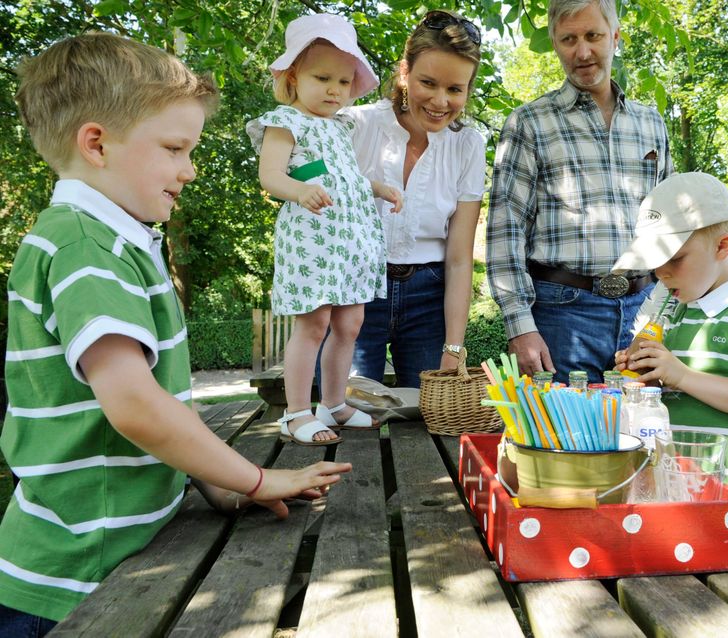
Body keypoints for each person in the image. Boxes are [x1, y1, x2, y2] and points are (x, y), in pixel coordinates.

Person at [0, 32, 350, 632]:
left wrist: (219, 485)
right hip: (76, 579)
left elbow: (160, 401)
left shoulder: (113, 239)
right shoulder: (88, 246)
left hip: (119, 558)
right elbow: (135, 406)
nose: (189, 171)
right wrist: (257, 476)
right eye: (175, 148)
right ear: (96, 144)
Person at [613, 172, 728, 571]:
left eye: (674, 260)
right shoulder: (676, 311)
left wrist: (680, 375)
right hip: (685, 502)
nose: (661, 274)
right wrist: (644, 375)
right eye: (654, 264)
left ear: (723, 246)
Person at [486, 0, 672, 383]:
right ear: (555, 43)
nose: (582, 51)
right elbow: (505, 232)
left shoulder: (650, 122)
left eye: (593, 36)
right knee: (559, 440)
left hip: (643, 314)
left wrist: (666, 311)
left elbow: (671, 227)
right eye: (568, 39)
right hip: (561, 315)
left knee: (641, 435)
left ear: (615, 37)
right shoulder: (529, 123)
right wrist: (520, 326)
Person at [247, 14, 403, 442]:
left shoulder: (339, 127)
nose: (334, 89)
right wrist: (297, 191)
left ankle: (333, 402)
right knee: (313, 324)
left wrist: (379, 188)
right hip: (313, 241)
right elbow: (271, 176)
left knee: (350, 324)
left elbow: (344, 176)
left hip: (350, 243)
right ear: (293, 76)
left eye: (343, 81)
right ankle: (295, 412)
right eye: (322, 78)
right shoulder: (285, 121)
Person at [343, 10, 486, 388]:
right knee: (350, 412)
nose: (441, 101)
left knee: (429, 417)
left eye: (455, 89)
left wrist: (454, 347)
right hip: (356, 289)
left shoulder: (468, 145)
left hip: (429, 298)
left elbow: (458, 258)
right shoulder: (355, 126)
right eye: (428, 82)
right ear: (405, 73)